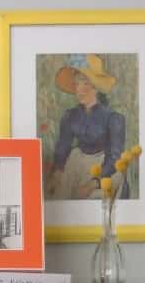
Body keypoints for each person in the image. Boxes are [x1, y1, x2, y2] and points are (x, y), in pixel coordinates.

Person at [47, 54, 127, 201]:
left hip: (106, 167)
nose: (79, 90)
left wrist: (92, 184)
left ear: (95, 87)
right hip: (78, 162)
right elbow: (63, 146)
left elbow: (115, 157)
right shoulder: (70, 115)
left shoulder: (113, 118)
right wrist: (57, 173)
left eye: (84, 84)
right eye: (77, 84)